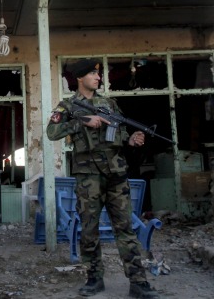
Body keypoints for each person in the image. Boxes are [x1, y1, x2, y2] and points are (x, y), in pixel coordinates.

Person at [46, 58, 160, 299]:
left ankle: (138, 282)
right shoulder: (67, 106)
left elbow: (121, 131)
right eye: (92, 74)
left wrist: (132, 140)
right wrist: (81, 123)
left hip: (116, 174)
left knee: (125, 228)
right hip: (89, 177)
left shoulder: (109, 103)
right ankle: (94, 278)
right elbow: (51, 132)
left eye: (98, 75)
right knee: (89, 229)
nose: (98, 78)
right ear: (79, 78)